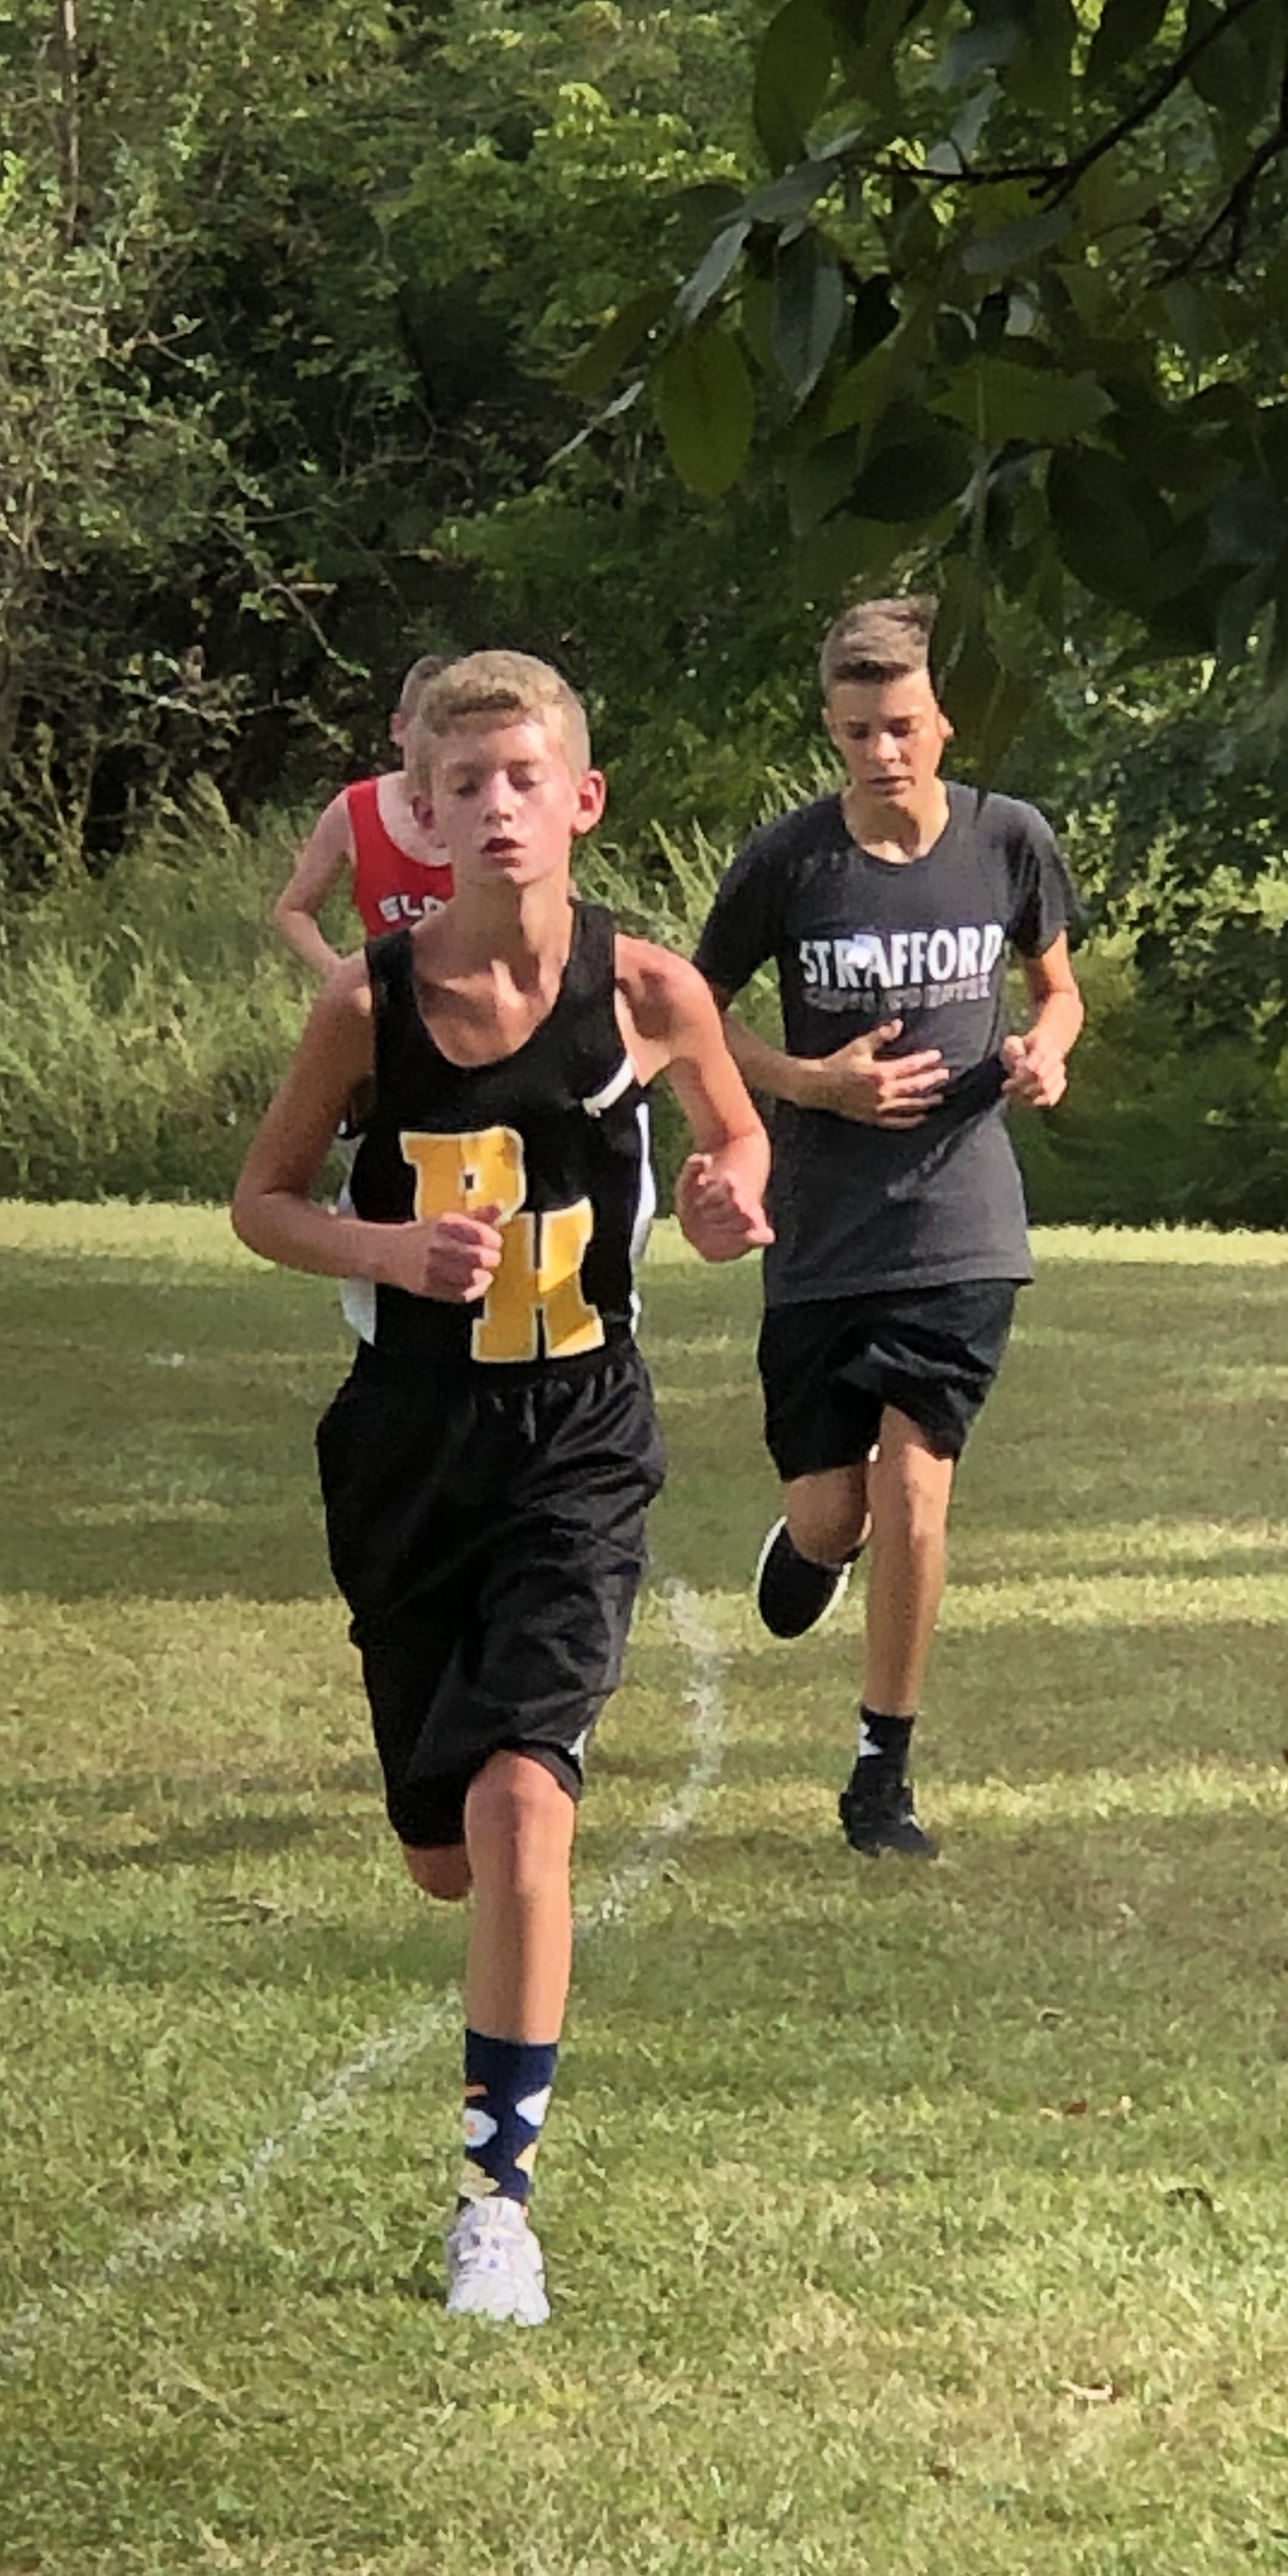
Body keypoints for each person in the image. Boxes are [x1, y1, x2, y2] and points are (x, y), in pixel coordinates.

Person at [233, 649, 770, 2325]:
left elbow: (739, 1140)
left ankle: (496, 2209)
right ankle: (481, 1987)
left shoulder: (653, 992)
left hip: (581, 1434)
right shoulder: (365, 1007)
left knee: (525, 1806)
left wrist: (730, 1198)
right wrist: (386, 1249)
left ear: (582, 800)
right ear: (420, 811)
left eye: (525, 778)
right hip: (407, 1443)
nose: (495, 809)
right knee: (445, 1857)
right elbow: (263, 1203)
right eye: (461, 786)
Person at [693, 596, 1082, 1862]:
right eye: (858, 731)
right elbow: (690, 1013)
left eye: (902, 726)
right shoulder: (788, 863)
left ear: (941, 722)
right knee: (834, 1514)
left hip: (960, 1224)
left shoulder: (1007, 838)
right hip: (822, 1228)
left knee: (918, 1488)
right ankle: (819, 1544)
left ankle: (881, 1772)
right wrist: (809, 1084)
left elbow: (1057, 990)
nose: (883, 752)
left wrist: (1044, 1053)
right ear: (831, 729)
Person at [271, 654, 456, 977]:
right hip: (390, 997)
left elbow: (548, 913)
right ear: (399, 729)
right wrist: (345, 978)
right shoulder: (355, 809)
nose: (438, 749)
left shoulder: (493, 812)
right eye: (430, 731)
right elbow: (293, 911)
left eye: (454, 735)